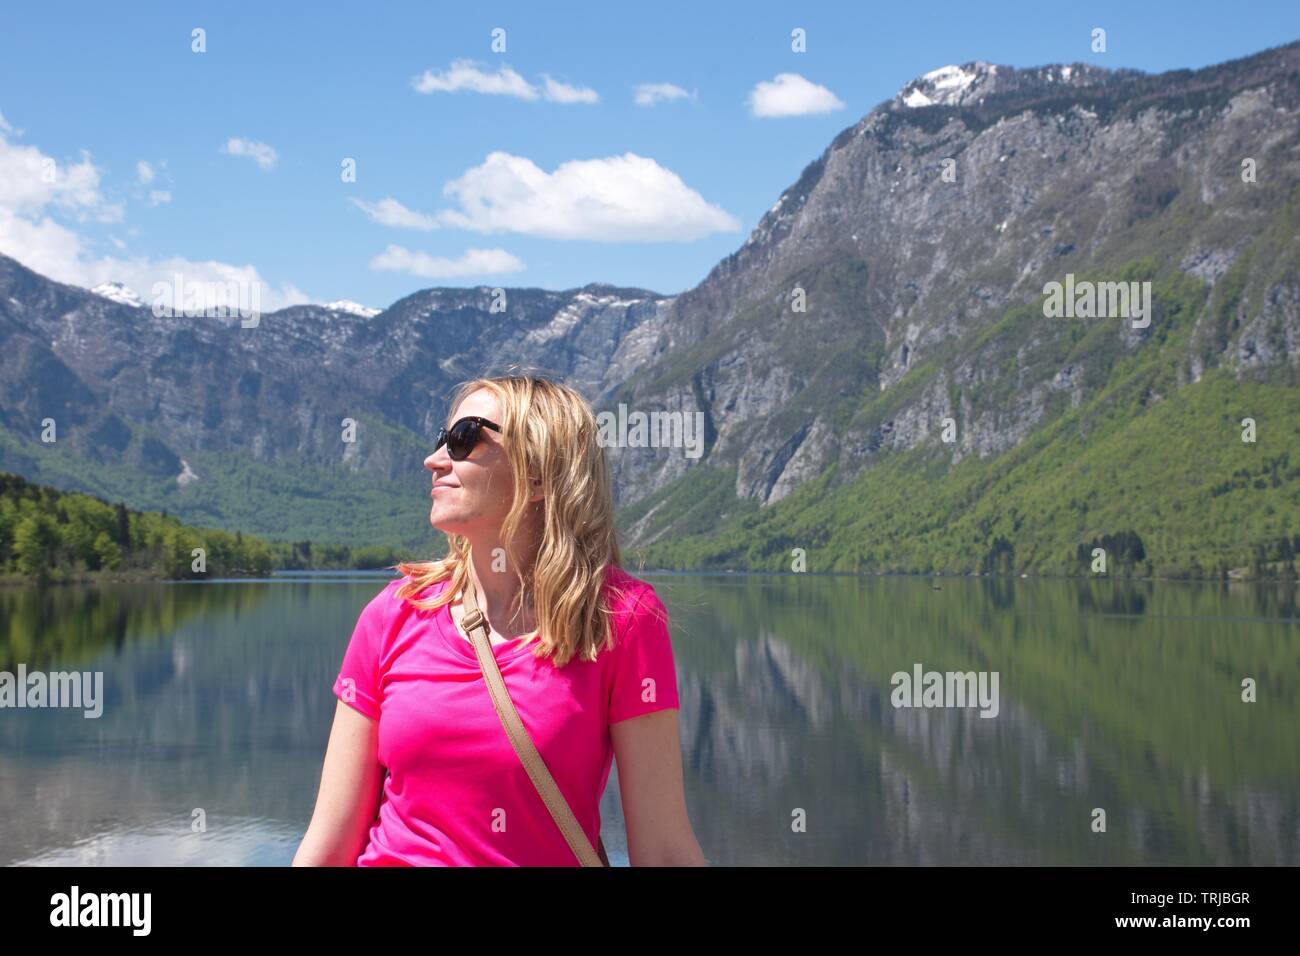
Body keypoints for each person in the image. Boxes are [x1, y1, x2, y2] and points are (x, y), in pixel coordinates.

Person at [293, 374, 707, 866]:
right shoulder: (394, 613)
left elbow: (662, 852)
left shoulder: (621, 618)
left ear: (538, 474)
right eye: (441, 440)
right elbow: (331, 840)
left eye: (465, 438)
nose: (435, 459)